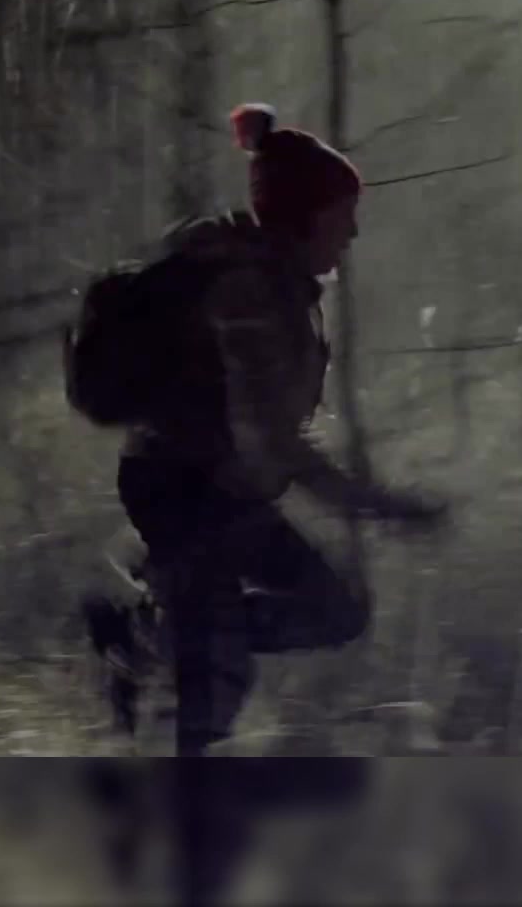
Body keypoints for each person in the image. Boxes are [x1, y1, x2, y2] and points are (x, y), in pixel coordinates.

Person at [83, 102, 448, 756]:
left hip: (222, 494)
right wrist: (375, 503)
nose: (353, 232)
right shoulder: (248, 291)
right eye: (341, 215)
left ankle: (145, 636)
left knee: (335, 611)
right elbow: (268, 439)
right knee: (216, 682)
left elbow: (267, 435)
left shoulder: (281, 284)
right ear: (304, 217)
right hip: (180, 491)